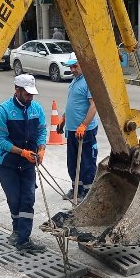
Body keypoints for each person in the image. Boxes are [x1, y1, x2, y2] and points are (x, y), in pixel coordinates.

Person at [0, 74, 48, 252]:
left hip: (29, 162)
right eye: (27, 94)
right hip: (8, 163)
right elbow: (0, 140)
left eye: (32, 94)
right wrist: (21, 152)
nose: (30, 97)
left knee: (28, 199)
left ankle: (23, 239)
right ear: (17, 90)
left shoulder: (36, 109)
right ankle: (17, 229)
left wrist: (41, 147)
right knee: (14, 199)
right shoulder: (3, 112)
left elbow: (42, 130)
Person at [58, 53, 98, 200]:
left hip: (84, 131)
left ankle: (87, 194)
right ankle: (76, 189)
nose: (72, 69)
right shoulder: (75, 81)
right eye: (71, 66)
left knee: (86, 163)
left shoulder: (88, 81)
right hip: (72, 130)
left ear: (83, 65)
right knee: (73, 163)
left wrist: (84, 125)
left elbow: (94, 106)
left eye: (75, 66)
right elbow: (72, 104)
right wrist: (63, 118)